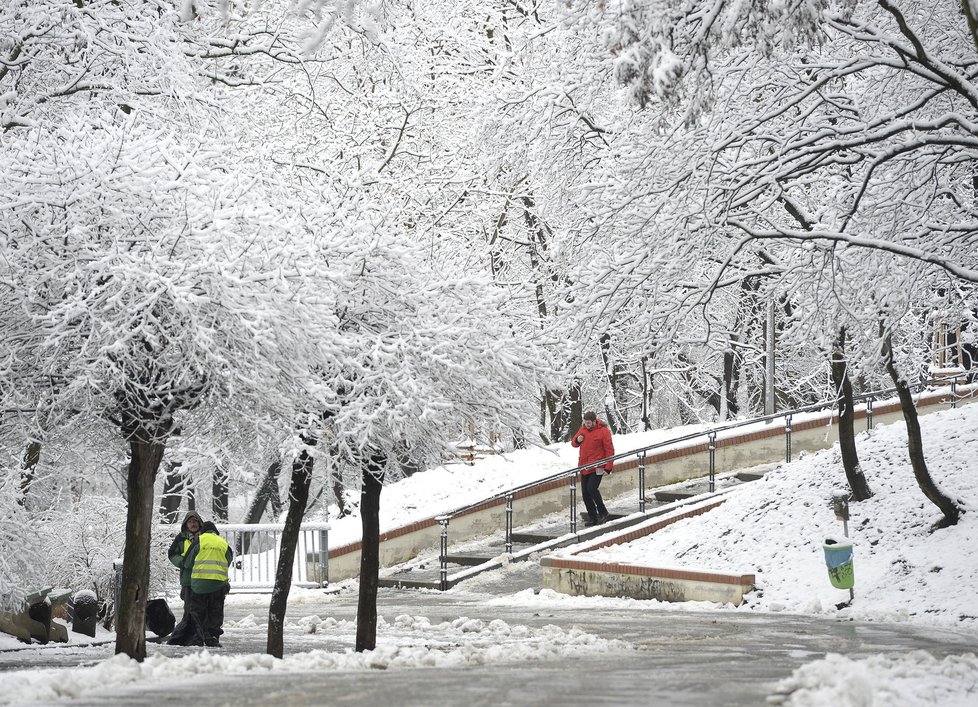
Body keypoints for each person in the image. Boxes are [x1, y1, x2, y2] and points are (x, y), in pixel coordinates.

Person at [185, 520, 233, 647]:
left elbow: (187, 562)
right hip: (218, 583)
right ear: (215, 532)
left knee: (197, 611)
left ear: (202, 531)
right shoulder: (223, 543)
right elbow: (228, 559)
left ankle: (198, 636)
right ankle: (212, 636)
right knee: (215, 610)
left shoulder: (199, 540)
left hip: (199, 584)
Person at [571, 410, 615, 527]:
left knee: (592, 489)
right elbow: (573, 443)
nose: (587, 425)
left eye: (589, 423)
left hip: (598, 466)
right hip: (585, 466)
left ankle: (603, 513)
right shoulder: (583, 429)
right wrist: (577, 440)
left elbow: (609, 450)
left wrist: (608, 467)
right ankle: (593, 517)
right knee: (585, 493)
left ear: (595, 421)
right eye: (585, 422)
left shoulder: (603, 431)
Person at [166, 510, 202, 645]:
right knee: (189, 609)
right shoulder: (180, 538)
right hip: (188, 579)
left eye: (195, 521)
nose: (193, 524)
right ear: (186, 524)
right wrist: (182, 562)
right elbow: (172, 554)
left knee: (202, 608)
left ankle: (200, 634)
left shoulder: (205, 537)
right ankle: (189, 635)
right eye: (191, 522)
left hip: (203, 578)